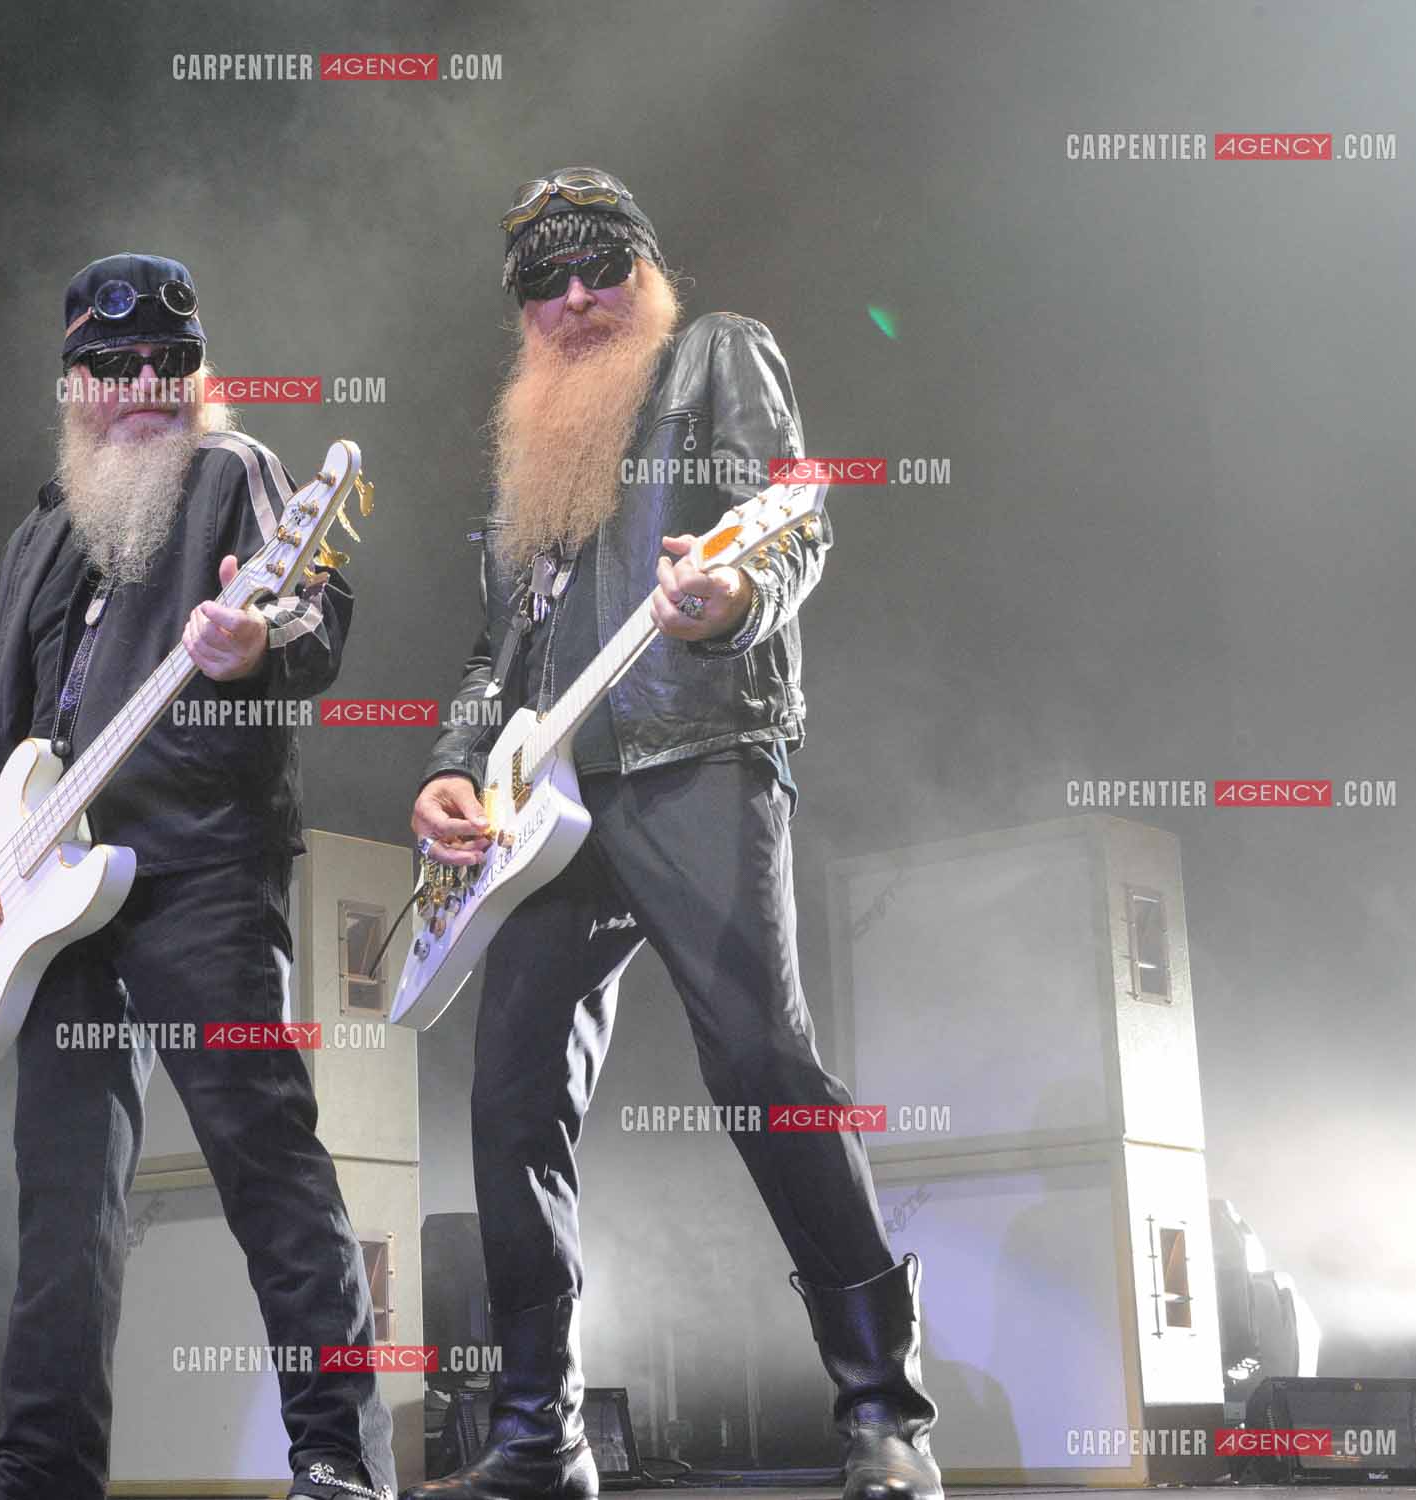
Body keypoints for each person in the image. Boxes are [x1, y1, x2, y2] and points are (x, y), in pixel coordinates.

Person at [404, 173, 941, 1500]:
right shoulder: (529, 445)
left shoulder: (715, 356)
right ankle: (539, 1435)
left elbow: (791, 522)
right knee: (508, 1103)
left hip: (692, 755)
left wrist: (733, 596)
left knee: (760, 1060)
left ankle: (886, 1413)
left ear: (647, 273)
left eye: (603, 268)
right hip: (545, 812)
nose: (577, 297)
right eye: (546, 282)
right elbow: (492, 652)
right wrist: (453, 768)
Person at [0, 252, 394, 1500]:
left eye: (171, 362)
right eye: (113, 366)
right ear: (73, 382)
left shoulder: (235, 473)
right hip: (43, 894)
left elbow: (317, 612)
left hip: (198, 860)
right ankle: (41, 1459)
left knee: (262, 1151)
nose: (144, 386)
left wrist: (252, 641)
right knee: (63, 1190)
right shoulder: (40, 530)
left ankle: (337, 1453)